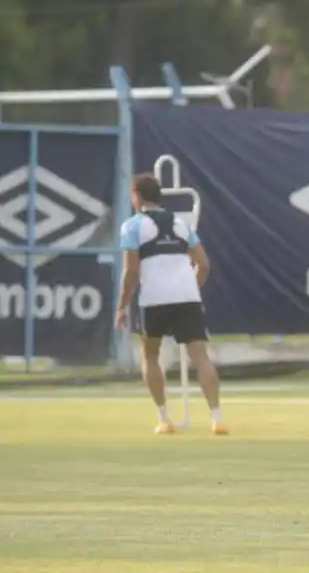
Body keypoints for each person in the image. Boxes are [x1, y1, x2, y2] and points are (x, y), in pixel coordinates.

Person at [114, 173, 228, 436]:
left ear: (137, 196)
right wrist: (191, 288)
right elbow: (204, 264)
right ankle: (217, 418)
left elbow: (130, 272)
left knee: (150, 355)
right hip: (187, 297)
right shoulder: (181, 224)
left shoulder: (132, 226)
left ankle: (164, 419)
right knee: (201, 357)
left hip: (154, 298)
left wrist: (121, 307)